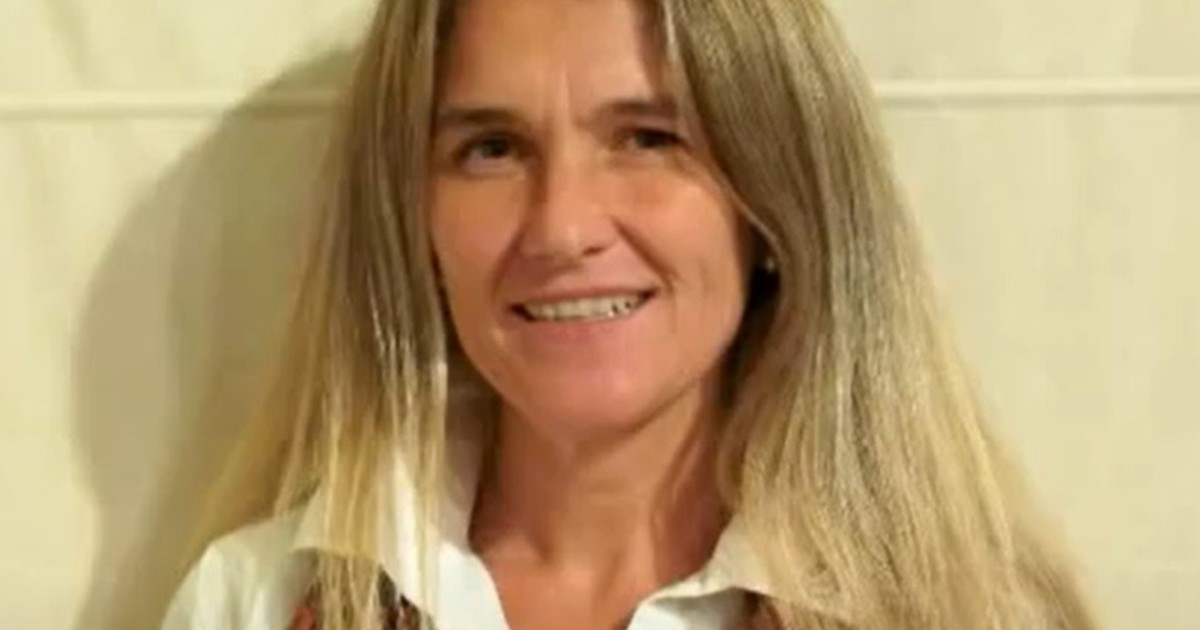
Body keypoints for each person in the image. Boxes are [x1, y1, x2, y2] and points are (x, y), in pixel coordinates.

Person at [162, 0, 1098, 628]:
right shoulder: (257, 604)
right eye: (492, 148)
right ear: (413, 217)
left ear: (775, 206)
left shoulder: (964, 613)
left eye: (648, 138)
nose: (562, 227)